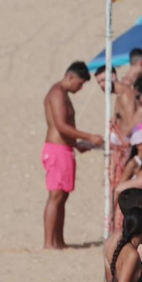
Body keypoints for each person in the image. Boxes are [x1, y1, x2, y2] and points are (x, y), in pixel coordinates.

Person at [42, 62, 102, 250]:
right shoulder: (57, 94)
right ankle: (49, 242)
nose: (80, 88)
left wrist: (77, 144)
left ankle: (58, 241)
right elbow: (61, 126)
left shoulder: (62, 93)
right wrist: (88, 136)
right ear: (71, 77)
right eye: (80, 83)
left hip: (64, 149)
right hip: (57, 150)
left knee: (63, 196)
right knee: (56, 195)